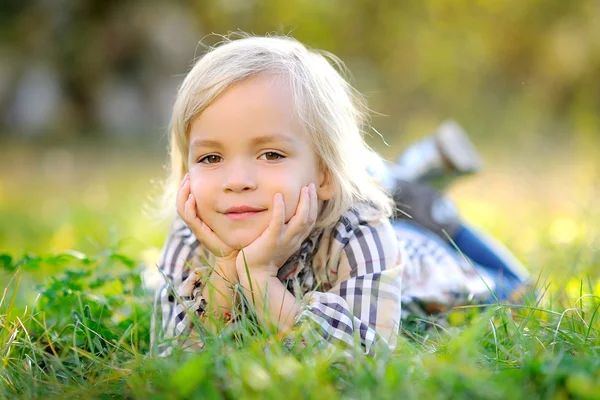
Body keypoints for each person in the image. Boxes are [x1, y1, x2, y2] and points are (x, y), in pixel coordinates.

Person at [151, 35, 529, 357]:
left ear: (325, 175)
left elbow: (364, 358)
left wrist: (260, 279)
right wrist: (226, 268)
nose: (236, 181)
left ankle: (424, 204)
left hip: (417, 262)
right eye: (211, 157)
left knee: (517, 291)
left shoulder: (359, 230)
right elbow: (171, 353)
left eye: (271, 154)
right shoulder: (195, 227)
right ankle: (398, 177)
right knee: (370, 185)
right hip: (342, 197)